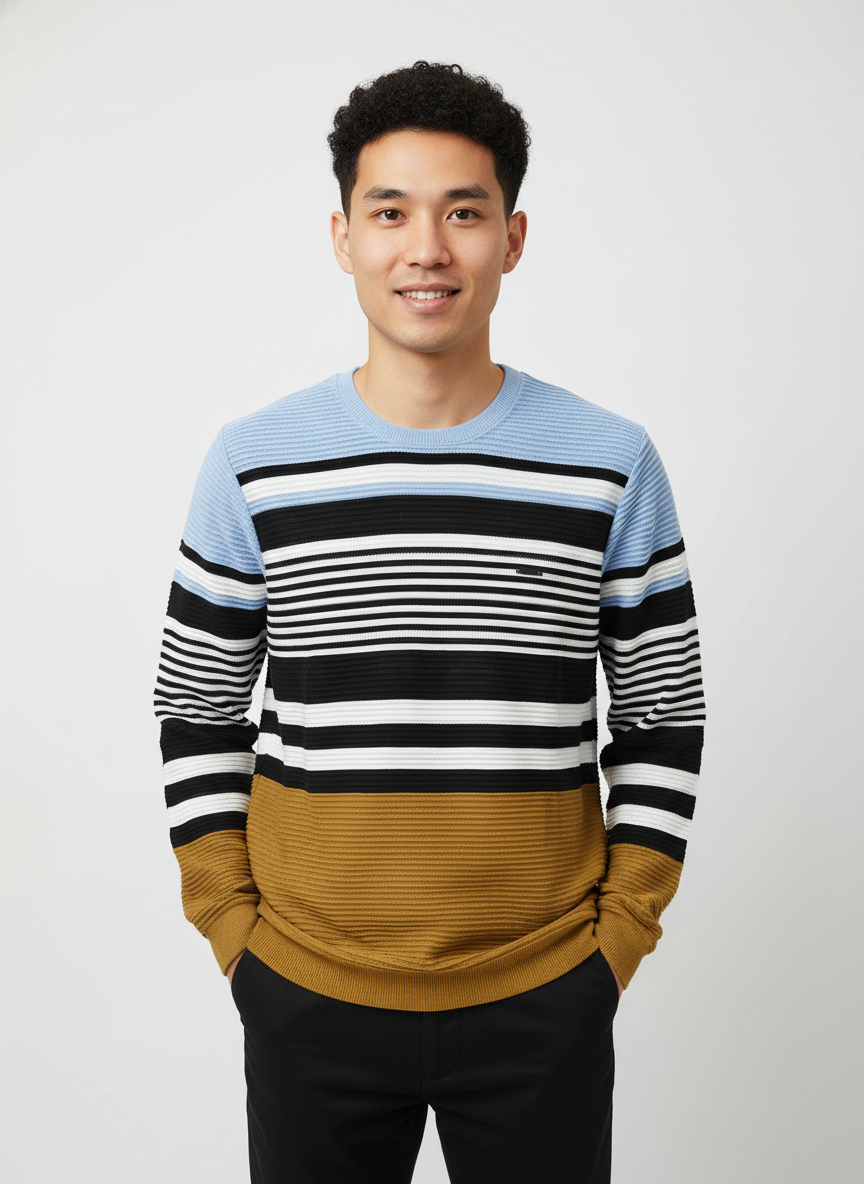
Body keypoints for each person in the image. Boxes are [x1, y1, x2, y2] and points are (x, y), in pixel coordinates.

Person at [154, 59, 705, 1184]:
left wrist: (617, 941)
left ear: (512, 237)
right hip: (306, 987)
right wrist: (232, 927)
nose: (427, 249)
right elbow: (196, 703)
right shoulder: (253, 462)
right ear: (342, 237)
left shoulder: (611, 461)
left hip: (545, 991)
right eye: (390, 211)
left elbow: (662, 714)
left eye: (463, 212)